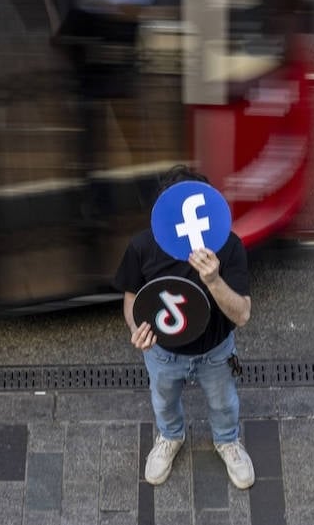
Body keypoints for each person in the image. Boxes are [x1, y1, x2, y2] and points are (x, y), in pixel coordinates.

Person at [113, 165, 255, 489]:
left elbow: (243, 314)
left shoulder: (229, 246)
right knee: (163, 401)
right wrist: (136, 328)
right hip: (162, 352)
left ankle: (227, 440)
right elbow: (132, 295)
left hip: (215, 351)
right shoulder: (143, 246)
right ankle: (170, 436)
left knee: (224, 403)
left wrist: (213, 280)